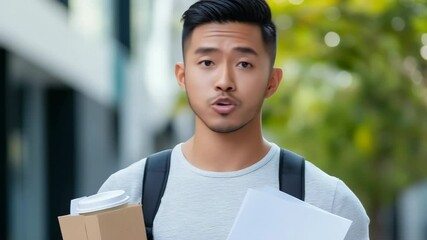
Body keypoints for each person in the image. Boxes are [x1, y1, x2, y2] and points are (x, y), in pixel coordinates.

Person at [98, 0, 370, 239]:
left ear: (272, 82)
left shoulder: (330, 204)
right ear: (182, 77)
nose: (224, 82)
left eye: (244, 64)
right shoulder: (124, 196)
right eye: (207, 63)